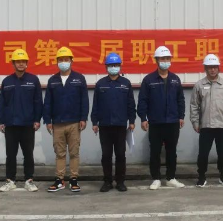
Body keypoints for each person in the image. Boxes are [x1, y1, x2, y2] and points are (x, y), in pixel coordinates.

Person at [137, 45, 186, 190]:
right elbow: (142, 100)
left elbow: (180, 99)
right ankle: (156, 178)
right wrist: (143, 118)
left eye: (167, 58)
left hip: (172, 121)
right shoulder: (149, 80)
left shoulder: (175, 79)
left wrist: (181, 116)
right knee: (155, 151)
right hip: (155, 122)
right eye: (162, 59)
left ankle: (171, 178)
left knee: (172, 151)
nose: (165, 61)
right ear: (156, 60)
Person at [43, 46, 89, 193]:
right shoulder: (53, 80)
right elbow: (48, 102)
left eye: (66, 59)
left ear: (71, 61)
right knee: (60, 153)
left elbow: (84, 100)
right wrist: (47, 120)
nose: (64, 62)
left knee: (74, 153)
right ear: (57, 62)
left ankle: (74, 179)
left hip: (74, 122)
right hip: (57, 123)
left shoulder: (79, 79)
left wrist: (83, 118)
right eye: (61, 60)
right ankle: (59, 180)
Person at [0, 49, 43, 192]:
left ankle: (29, 180)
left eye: (23, 61)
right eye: (18, 62)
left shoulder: (33, 80)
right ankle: (10, 181)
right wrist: (1, 121)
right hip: (11, 124)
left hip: (28, 124)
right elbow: (2, 103)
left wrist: (37, 119)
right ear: (13, 64)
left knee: (28, 154)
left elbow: (38, 102)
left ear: (27, 63)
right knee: (10, 155)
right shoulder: (7, 81)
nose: (21, 64)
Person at [189, 54, 223, 187]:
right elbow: (194, 105)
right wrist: (195, 122)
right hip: (206, 125)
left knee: (222, 153)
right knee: (203, 154)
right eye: (210, 67)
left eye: (215, 67)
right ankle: (201, 176)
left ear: (218, 68)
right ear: (205, 68)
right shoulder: (199, 85)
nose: (213, 70)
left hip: (222, 125)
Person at [91, 52, 136, 192]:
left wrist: (132, 121)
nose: (113, 67)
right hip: (104, 125)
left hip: (121, 125)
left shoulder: (126, 83)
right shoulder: (100, 84)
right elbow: (96, 105)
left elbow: (131, 104)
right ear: (106, 67)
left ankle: (120, 181)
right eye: (111, 65)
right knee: (106, 155)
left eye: (116, 65)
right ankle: (107, 181)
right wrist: (94, 122)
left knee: (120, 155)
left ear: (120, 66)